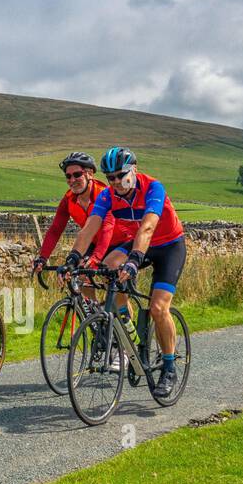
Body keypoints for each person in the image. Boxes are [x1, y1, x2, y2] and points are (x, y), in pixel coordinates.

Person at [62, 146, 186, 397]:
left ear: (134, 170)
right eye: (110, 177)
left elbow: (148, 227)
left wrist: (135, 259)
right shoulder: (108, 196)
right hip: (138, 243)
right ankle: (128, 328)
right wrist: (73, 258)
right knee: (109, 266)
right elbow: (90, 227)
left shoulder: (153, 188)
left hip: (168, 246)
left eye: (120, 175)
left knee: (158, 308)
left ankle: (169, 368)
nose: (116, 181)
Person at [32, 152, 109, 304]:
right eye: (68, 176)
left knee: (114, 290)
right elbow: (55, 230)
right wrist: (42, 258)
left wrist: (96, 258)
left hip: (114, 241)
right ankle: (96, 319)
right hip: (91, 242)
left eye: (77, 174)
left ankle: (127, 324)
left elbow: (108, 230)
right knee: (81, 278)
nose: (72, 180)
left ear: (90, 174)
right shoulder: (69, 200)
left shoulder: (104, 195)